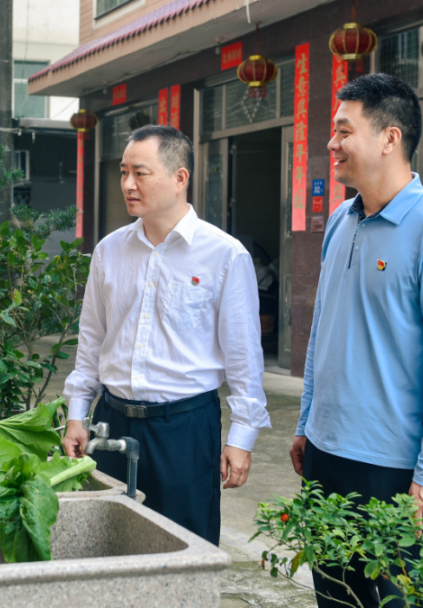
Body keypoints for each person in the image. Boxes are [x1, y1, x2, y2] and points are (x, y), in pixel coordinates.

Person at [290, 74, 423, 607]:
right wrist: (307, 422)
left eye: (343, 131)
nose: (332, 144)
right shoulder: (339, 222)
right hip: (325, 453)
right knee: (335, 596)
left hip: (390, 467)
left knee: (394, 600)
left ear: (389, 138)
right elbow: (324, 329)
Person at [62, 124, 270, 545]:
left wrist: (241, 438)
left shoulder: (225, 255)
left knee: (183, 547)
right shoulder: (109, 251)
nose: (127, 184)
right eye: (123, 173)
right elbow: (92, 344)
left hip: (185, 430)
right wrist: (76, 414)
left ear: (180, 178)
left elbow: (244, 356)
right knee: (106, 545)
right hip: (112, 422)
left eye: (141, 173)